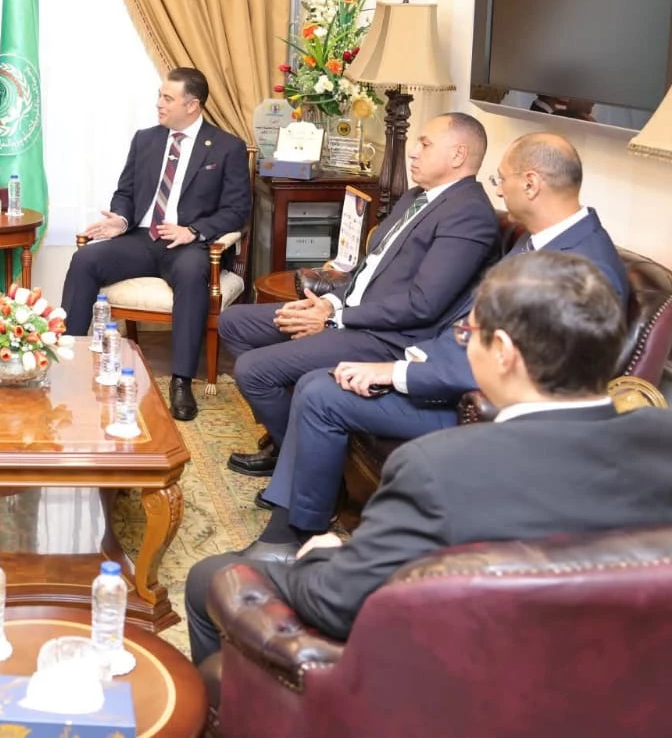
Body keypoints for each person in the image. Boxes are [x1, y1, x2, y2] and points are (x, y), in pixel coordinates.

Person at [185, 250, 672, 662]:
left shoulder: (437, 467)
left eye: (467, 334)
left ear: (502, 352)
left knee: (209, 579)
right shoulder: (660, 438)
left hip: (464, 680)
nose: (465, 343)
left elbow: (336, 603)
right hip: (612, 677)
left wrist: (324, 556)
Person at [237, 132, 631, 560]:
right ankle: (296, 521)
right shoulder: (542, 240)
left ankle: (293, 534)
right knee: (319, 384)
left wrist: (398, 372)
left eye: (501, 179)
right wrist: (413, 358)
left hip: (471, 402)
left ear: (531, 184)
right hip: (440, 362)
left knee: (320, 391)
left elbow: (529, 371)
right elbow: (471, 322)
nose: (498, 190)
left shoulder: (585, 267)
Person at [218, 113, 500, 475]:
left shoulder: (468, 213)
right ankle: (289, 438)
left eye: (425, 144)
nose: (413, 151)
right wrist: (329, 302)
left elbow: (422, 305)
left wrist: (334, 319)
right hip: (350, 314)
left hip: (384, 336)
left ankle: (297, 460)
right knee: (234, 322)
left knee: (253, 370)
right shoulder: (416, 197)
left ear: (458, 154)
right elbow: (370, 266)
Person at [61, 68, 251, 420]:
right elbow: (125, 192)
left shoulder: (227, 147)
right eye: (159, 96)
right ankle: (69, 360)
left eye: (167, 98)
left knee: (193, 275)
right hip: (141, 238)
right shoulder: (145, 139)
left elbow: (237, 210)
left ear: (192, 105)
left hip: (187, 245)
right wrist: (120, 220)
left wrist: (194, 231)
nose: (159, 104)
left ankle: (181, 381)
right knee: (85, 260)